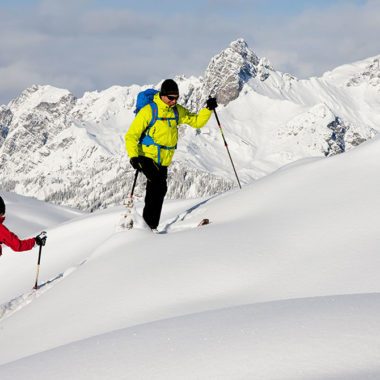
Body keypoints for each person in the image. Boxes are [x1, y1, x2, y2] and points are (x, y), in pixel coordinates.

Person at [125, 79, 218, 230]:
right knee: (156, 184)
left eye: (176, 98)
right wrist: (133, 157)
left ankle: (149, 227)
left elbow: (196, 122)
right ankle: (147, 227)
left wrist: (208, 109)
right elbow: (131, 136)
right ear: (162, 95)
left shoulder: (176, 110)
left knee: (160, 190)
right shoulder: (149, 111)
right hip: (146, 155)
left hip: (164, 159)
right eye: (171, 98)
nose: (173, 101)